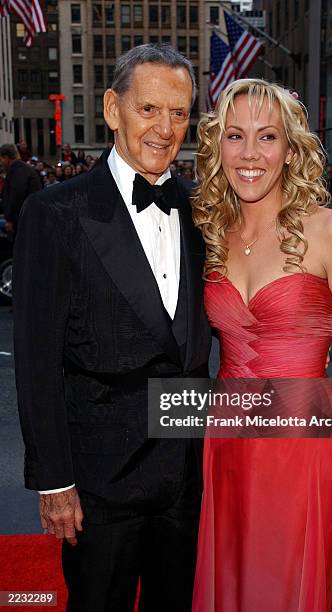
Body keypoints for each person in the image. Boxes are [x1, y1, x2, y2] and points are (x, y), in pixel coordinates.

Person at [13, 44, 211, 612]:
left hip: (184, 474)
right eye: (149, 109)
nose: (165, 128)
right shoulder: (56, 212)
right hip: (100, 483)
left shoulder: (201, 211)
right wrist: (53, 481)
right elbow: (35, 359)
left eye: (179, 113)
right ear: (111, 109)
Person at [192, 79, 332, 611]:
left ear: (290, 149)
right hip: (226, 438)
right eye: (234, 135)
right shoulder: (209, 231)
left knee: (291, 582)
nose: (250, 153)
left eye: (267, 136)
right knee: (234, 579)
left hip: (304, 443)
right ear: (216, 147)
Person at [0, 143, 42, 237]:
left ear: (7, 157)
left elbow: (17, 195)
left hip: (23, 222)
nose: (0, 163)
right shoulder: (19, 169)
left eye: (1, 159)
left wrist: (10, 220)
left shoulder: (18, 171)